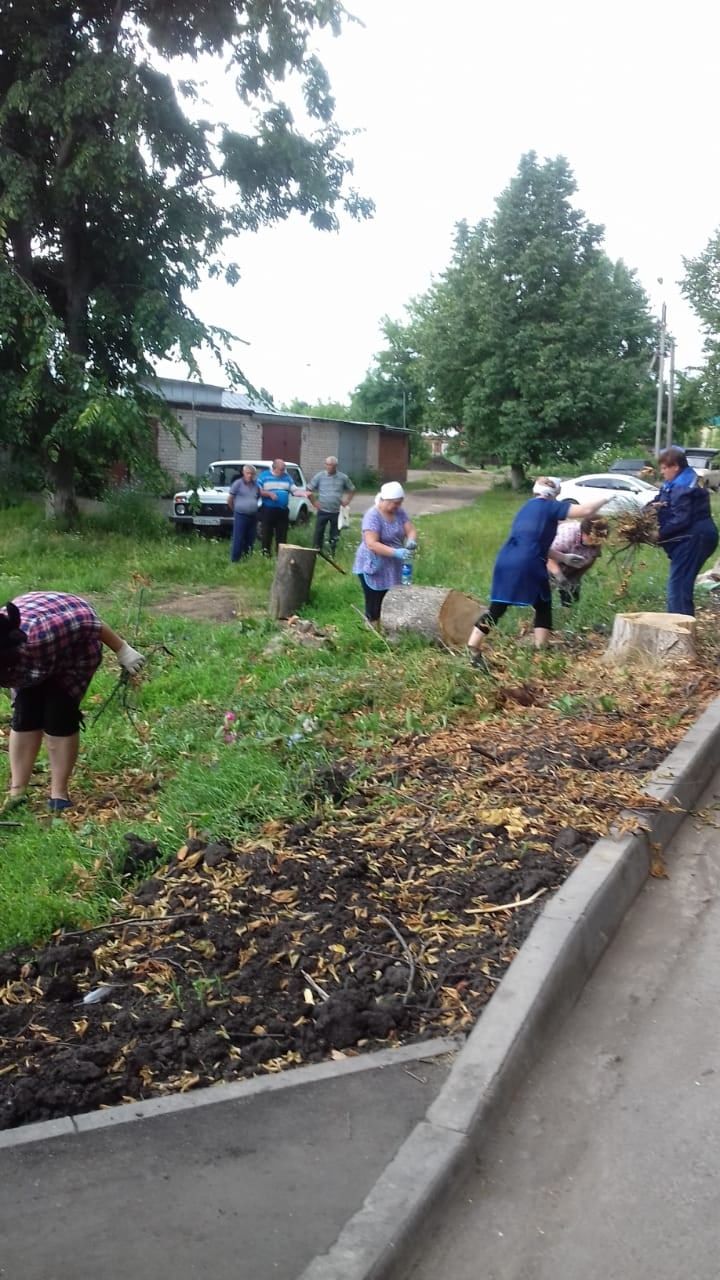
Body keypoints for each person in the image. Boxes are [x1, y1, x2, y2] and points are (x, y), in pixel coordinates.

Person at [0, 592, 145, 812]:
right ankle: (17, 791)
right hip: (21, 662)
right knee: (25, 715)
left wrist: (122, 649)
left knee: (60, 714)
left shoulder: (41, 635)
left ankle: (59, 793)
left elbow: (86, 622)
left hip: (74, 649)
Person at [466, 477, 611, 666]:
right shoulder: (549, 506)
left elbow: (534, 542)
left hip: (507, 559)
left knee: (500, 606)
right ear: (553, 494)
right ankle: (540, 649)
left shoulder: (526, 507)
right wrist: (607, 498)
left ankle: (473, 646)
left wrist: (564, 558)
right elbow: (585, 511)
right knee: (543, 604)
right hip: (529, 562)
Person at [651, 446, 719, 616]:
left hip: (694, 538)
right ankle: (681, 628)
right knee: (680, 584)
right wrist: (648, 510)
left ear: (675, 466)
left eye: (665, 467)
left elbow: (681, 519)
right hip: (693, 537)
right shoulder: (676, 481)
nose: (662, 471)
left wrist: (660, 534)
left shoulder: (684, 486)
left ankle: (680, 633)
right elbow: (660, 500)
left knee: (679, 586)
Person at [352, 481, 418, 627]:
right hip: (374, 563)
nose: (398, 506)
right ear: (385, 500)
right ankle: (372, 627)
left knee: (393, 595)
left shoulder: (399, 512)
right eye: (395, 503)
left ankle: (390, 625)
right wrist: (396, 552)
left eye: (400, 503)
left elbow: (411, 530)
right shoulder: (372, 516)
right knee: (375, 598)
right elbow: (372, 543)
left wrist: (411, 541)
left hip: (393, 565)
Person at [547, 516, 609, 607]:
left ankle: (567, 612)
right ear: (583, 533)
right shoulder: (566, 537)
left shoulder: (598, 539)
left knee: (572, 593)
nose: (595, 543)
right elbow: (547, 556)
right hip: (549, 564)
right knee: (544, 591)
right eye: (592, 539)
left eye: (597, 541)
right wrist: (558, 575)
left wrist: (577, 576)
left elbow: (592, 557)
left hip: (572, 566)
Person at [309, 456, 355, 557]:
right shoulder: (320, 476)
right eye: (328, 465)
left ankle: (332, 553)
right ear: (325, 465)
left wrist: (347, 500)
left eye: (332, 465)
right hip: (323, 510)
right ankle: (316, 552)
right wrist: (314, 502)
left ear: (336, 466)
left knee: (334, 534)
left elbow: (352, 489)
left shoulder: (343, 477)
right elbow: (308, 489)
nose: (330, 467)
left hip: (336, 511)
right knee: (318, 532)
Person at [257, 458, 297, 557]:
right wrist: (269, 494)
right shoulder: (264, 476)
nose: (283, 471)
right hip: (268, 509)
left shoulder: (287, 477)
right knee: (267, 532)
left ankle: (281, 555)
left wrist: (303, 493)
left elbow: (294, 489)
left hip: (282, 510)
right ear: (274, 468)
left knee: (282, 534)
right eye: (281, 469)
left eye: (284, 469)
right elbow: (258, 490)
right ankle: (266, 554)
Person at [227, 464, 261, 561]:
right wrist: (235, 509)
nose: (250, 475)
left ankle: (247, 558)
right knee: (238, 538)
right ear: (243, 473)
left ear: (254, 474)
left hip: (253, 516)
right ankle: (235, 560)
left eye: (252, 474)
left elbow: (257, 496)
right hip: (241, 515)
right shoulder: (238, 483)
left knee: (250, 538)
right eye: (248, 473)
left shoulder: (256, 485)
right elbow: (230, 499)